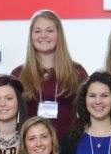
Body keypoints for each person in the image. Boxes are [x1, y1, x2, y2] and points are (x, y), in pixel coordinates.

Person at [12, 9, 87, 140]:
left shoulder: (77, 72)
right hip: (32, 145)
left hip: (69, 144)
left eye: (49, 30)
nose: (43, 35)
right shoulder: (18, 74)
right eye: (38, 31)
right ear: (31, 36)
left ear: (59, 34)